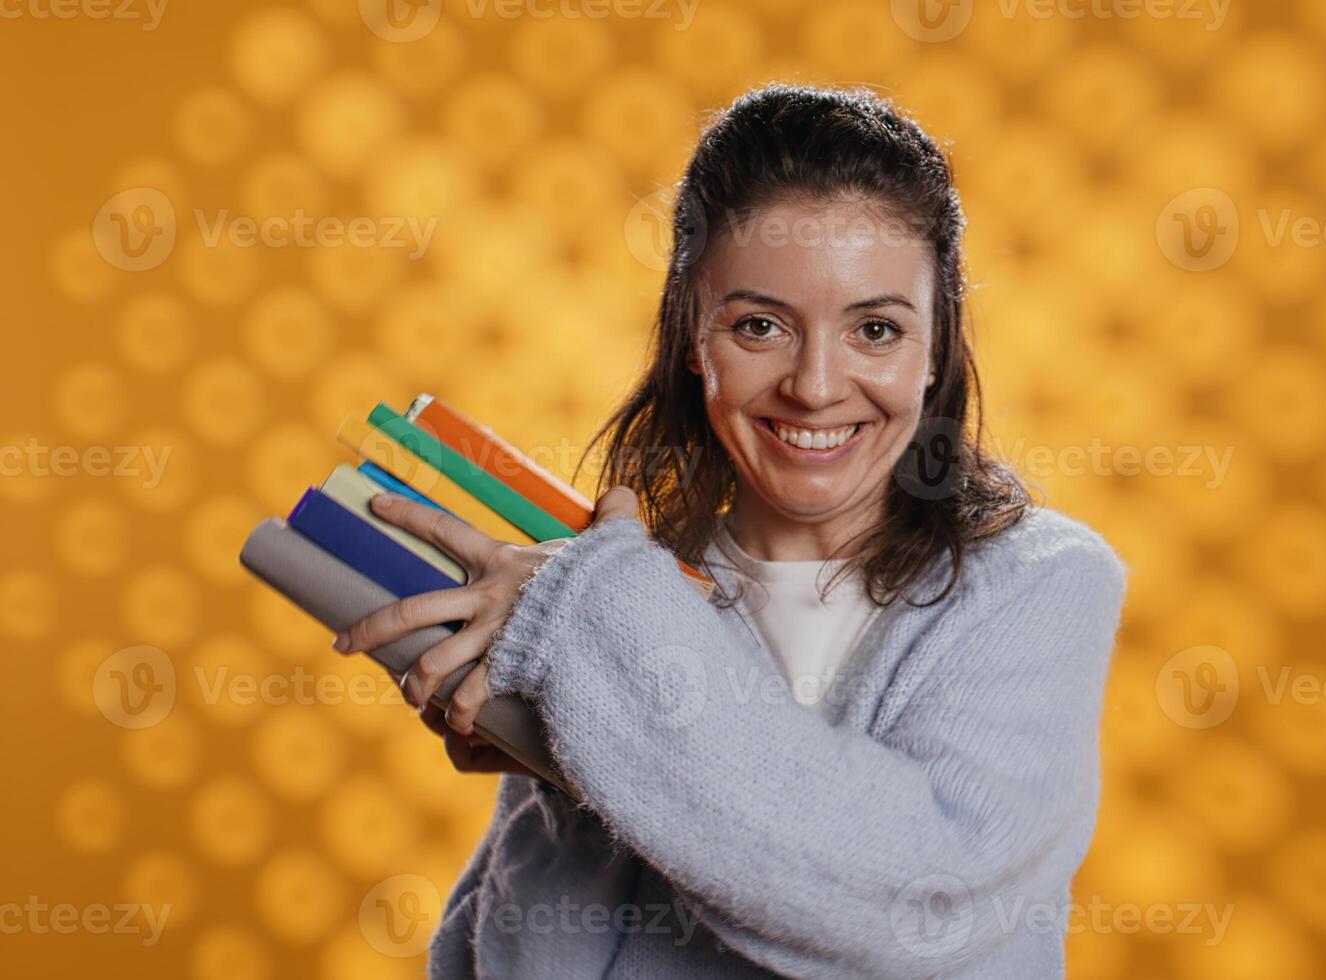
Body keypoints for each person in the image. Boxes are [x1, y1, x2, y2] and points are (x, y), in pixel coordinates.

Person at [335, 84, 1127, 978]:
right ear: (690, 336)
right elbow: (500, 938)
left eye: (875, 328)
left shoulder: (1039, 586)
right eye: (759, 326)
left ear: (937, 345)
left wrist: (593, 632)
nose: (817, 386)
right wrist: (556, 754)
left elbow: (920, 897)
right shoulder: (617, 580)